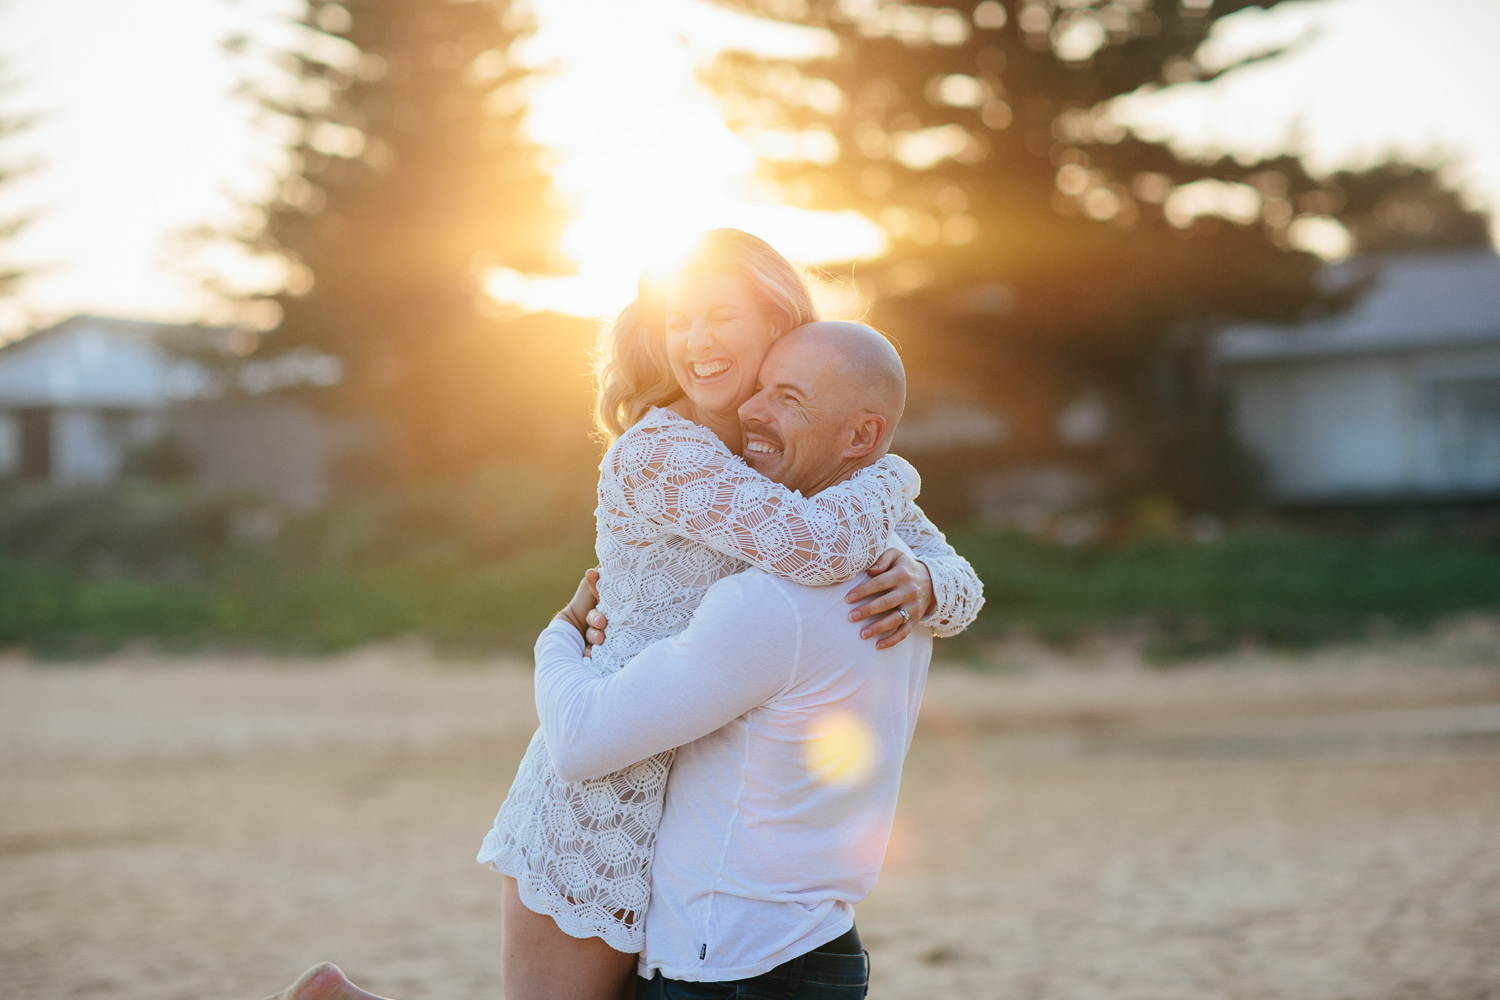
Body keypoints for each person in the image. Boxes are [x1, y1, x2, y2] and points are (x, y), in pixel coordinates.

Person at [264, 233, 983, 1000]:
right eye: (679, 321)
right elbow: (811, 546)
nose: (696, 342)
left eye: (720, 317)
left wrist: (928, 580)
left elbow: (961, 579)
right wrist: (894, 475)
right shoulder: (663, 451)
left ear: (779, 326)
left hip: (689, 819)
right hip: (603, 797)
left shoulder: (782, 439)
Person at [538, 320, 948, 996]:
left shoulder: (770, 603)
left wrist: (557, 635)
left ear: (861, 438)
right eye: (761, 389)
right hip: (826, 948)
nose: (751, 410)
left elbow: (581, 740)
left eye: (788, 398)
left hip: (728, 961)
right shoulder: (906, 582)